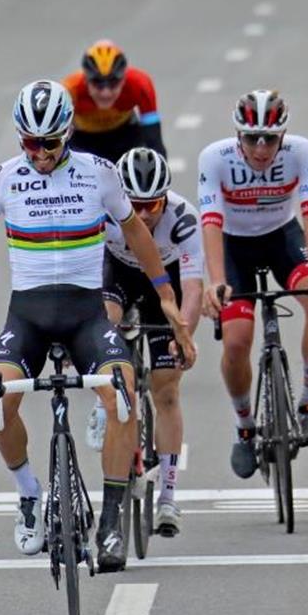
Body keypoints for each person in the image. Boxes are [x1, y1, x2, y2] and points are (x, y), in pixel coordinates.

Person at [0, 81, 195, 573]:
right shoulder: (2, 179)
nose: (39, 154)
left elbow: (137, 231)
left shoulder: (99, 175)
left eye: (49, 143)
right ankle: (30, 493)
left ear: (68, 133)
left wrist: (164, 293)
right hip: (28, 316)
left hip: (85, 316)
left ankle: (113, 521)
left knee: (122, 393)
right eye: (28, 143)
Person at [198, 90, 308, 480]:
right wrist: (216, 283)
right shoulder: (215, 158)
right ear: (238, 135)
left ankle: (307, 407)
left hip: (281, 237)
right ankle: (245, 426)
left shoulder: (301, 152)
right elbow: (210, 221)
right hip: (233, 247)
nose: (261, 148)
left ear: (284, 135)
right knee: (236, 339)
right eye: (251, 138)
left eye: (270, 138)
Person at [83, 147, 203, 536]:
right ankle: (105, 400)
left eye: (153, 203)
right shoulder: (104, 212)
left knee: (166, 391)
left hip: (161, 285)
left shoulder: (183, 219)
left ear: (165, 197)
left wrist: (185, 336)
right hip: (116, 273)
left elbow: (192, 286)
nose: (146, 213)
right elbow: (85, 271)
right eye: (136, 204)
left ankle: (168, 497)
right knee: (105, 321)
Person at [61, 40, 166, 163]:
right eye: (98, 84)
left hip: (125, 136)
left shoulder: (140, 84)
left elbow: (154, 141)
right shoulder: (71, 90)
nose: (106, 93)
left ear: (123, 80)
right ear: (86, 80)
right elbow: (58, 141)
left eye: (113, 84)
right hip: (84, 141)